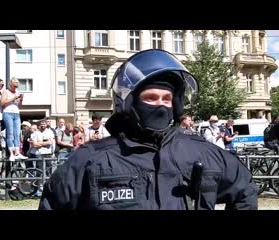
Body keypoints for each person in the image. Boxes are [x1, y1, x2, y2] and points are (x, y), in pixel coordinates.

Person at [39, 49, 257, 210]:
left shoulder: (202, 152)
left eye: (167, 98)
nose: (160, 105)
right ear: (129, 103)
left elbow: (245, 189)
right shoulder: (91, 158)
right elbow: (52, 203)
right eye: (151, 98)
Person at [0, 77, 28, 161]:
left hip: (16, 113)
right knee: (10, 133)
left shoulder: (17, 92)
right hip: (8, 113)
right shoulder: (6, 92)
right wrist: (14, 97)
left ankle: (17, 152)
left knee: (17, 134)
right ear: (10, 84)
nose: (16, 85)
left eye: (17, 83)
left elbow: (19, 105)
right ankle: (11, 153)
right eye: (15, 83)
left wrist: (21, 99)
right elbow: (2, 103)